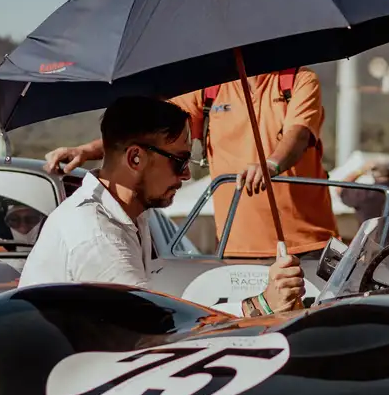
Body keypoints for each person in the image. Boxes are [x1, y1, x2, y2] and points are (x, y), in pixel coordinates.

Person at [19, 95, 304, 316]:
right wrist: (259, 306)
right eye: (179, 161)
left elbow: (155, 313)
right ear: (135, 159)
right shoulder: (98, 237)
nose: (187, 174)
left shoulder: (127, 214)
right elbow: (156, 331)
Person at [45, 67, 339, 260]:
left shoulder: (299, 80)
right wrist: (86, 151)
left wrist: (271, 164)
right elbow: (151, 133)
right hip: (235, 248)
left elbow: (299, 135)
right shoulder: (210, 89)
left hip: (310, 245)